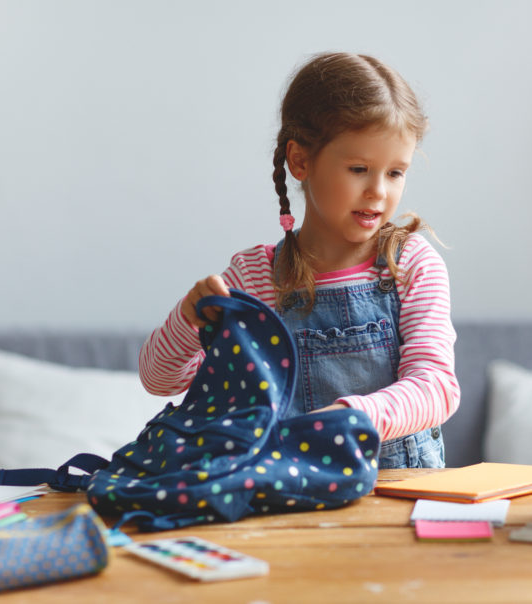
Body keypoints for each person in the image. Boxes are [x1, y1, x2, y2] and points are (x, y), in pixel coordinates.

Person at [139, 52, 459, 469]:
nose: (379, 191)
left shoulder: (412, 264)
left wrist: (354, 418)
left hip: (401, 501)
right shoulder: (255, 277)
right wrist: (188, 316)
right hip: (295, 503)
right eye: (359, 168)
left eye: (396, 172)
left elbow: (436, 387)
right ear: (301, 160)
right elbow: (159, 380)